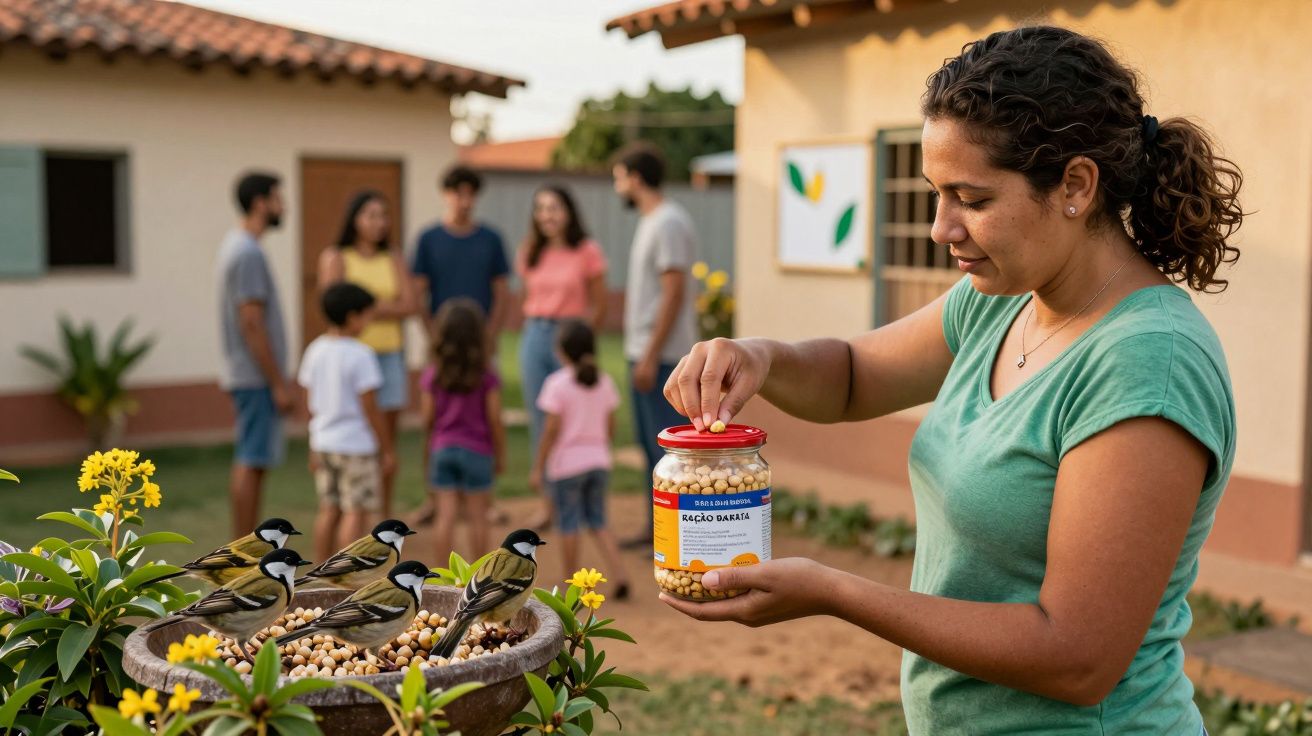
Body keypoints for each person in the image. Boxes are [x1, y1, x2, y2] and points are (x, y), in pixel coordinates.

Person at [659, 26, 1242, 736]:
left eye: (972, 199)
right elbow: (852, 379)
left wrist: (834, 592)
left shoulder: (1148, 361)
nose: (941, 229)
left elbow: (1077, 657)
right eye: (937, 194)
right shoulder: (1002, 300)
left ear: (1076, 186)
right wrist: (762, 356)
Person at [611, 142, 700, 549]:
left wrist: (649, 356)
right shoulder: (653, 221)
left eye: (619, 177)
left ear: (635, 178)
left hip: (663, 357)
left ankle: (679, 537)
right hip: (646, 353)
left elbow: (674, 292)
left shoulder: (668, 222)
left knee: (669, 453)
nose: (617, 186)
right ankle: (658, 532)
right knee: (651, 450)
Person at [318, 190, 418, 519]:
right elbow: (332, 304)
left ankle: (384, 517)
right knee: (351, 436)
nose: (379, 222)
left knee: (385, 441)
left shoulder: (394, 257)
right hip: (350, 358)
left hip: (389, 356)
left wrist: (367, 306)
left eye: (384, 215)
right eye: (371, 215)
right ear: (355, 218)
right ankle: (346, 513)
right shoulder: (336, 257)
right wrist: (385, 307)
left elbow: (410, 304)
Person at [517, 185, 609, 529]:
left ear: (568, 212)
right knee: (541, 419)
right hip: (535, 335)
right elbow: (527, 296)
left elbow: (600, 305)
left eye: (554, 207)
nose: (547, 215)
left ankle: (580, 500)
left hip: (570, 339)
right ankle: (549, 505)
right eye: (541, 208)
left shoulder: (587, 251)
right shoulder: (529, 252)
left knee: (574, 420)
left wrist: (582, 346)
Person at [529, 320, 630, 597]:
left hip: (567, 466)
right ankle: (620, 575)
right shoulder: (605, 381)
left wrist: (538, 466)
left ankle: (571, 585)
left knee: (568, 522)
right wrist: (599, 448)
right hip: (599, 462)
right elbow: (611, 425)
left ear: (561, 351)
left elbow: (550, 430)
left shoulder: (556, 384)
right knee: (598, 521)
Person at [216, 171, 291, 539]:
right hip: (254, 376)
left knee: (256, 460)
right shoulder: (247, 252)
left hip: (248, 374)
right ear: (260, 203)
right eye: (278, 198)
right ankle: (244, 548)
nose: (283, 206)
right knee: (251, 459)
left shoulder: (241, 246)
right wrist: (277, 382)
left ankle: (245, 544)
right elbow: (251, 321)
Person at [298, 283, 392, 563]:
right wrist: (387, 448)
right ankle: (345, 573)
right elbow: (370, 406)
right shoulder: (361, 354)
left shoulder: (315, 349)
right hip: (355, 445)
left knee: (329, 509)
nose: (370, 321)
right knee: (355, 511)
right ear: (352, 317)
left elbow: (308, 402)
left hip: (324, 442)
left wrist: (312, 442)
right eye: (367, 315)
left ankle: (322, 570)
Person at [421, 298, 506, 563]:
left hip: (443, 449)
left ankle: (442, 577)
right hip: (478, 451)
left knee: (445, 516)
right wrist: (500, 454)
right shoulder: (487, 375)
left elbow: (427, 419)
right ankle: (478, 577)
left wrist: (430, 450)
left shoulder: (433, 375)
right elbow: (495, 418)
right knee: (478, 516)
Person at [410, 166, 510, 348]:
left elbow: (502, 293)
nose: (465, 202)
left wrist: (491, 334)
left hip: (480, 335)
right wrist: (432, 334)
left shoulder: (491, 239)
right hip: (443, 335)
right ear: (445, 194)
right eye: (458, 194)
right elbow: (418, 294)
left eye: (470, 195)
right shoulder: (429, 239)